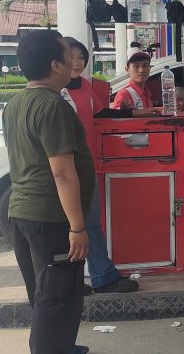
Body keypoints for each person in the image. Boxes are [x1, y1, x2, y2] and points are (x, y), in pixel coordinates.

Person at [2, 30, 92, 354]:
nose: (73, 61)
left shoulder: (14, 104)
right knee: (57, 296)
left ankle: (61, 347)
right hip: (51, 218)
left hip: (22, 214)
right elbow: (62, 172)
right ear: (55, 65)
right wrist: (77, 228)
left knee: (45, 293)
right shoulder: (53, 106)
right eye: (68, 55)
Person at [62, 38, 140, 294]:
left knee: (90, 222)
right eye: (71, 57)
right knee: (70, 226)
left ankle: (99, 277)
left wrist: (133, 114)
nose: (76, 63)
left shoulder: (85, 86)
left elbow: (100, 112)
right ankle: (78, 280)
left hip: (87, 164)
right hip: (65, 167)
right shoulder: (56, 92)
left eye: (81, 58)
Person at [112, 51, 158, 115]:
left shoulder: (147, 93)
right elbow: (116, 117)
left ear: (150, 68)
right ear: (127, 69)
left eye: (145, 66)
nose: (141, 70)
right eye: (136, 66)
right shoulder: (124, 94)